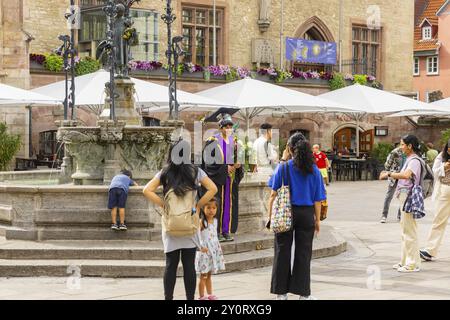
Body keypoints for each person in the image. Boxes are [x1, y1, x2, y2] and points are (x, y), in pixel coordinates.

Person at [143, 139, 218, 300]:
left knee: (170, 265)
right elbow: (213, 188)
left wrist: (163, 204)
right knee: (189, 265)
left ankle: (168, 298)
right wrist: (198, 205)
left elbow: (146, 190)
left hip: (171, 224)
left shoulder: (165, 172)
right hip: (189, 223)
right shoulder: (195, 171)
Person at [267, 132, 326, 300]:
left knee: (282, 250)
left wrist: (270, 216)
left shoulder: (283, 167)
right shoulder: (314, 170)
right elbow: (318, 200)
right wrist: (317, 220)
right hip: (306, 213)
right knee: (304, 253)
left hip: (286, 212)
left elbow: (273, 194)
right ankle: (303, 294)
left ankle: (281, 293)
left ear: (290, 149)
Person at [380, 135, 424, 273]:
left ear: (410, 146)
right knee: (405, 230)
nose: (401, 147)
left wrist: (389, 174)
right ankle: (405, 261)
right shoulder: (410, 159)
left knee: (409, 230)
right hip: (404, 194)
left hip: (408, 195)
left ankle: (412, 264)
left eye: (403, 144)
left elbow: (406, 175)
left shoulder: (415, 160)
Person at [202, 113, 244, 242]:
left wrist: (238, 164)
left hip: (230, 179)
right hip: (217, 178)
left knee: (228, 205)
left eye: (230, 126)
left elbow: (238, 158)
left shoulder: (235, 141)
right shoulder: (212, 141)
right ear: (221, 128)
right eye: (226, 126)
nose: (229, 129)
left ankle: (226, 230)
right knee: (217, 203)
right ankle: (216, 231)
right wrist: (224, 168)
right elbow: (208, 162)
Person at [420, 139, 450, 262]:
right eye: (449, 149)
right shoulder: (441, 157)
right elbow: (434, 172)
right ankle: (430, 250)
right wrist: (444, 167)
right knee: (438, 221)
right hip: (445, 190)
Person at [196, 197, 226, 300]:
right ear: (203, 208)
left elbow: (214, 237)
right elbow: (197, 236)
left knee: (209, 275)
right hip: (204, 251)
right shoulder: (201, 222)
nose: (211, 210)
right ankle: (201, 296)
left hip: (213, 251)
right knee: (203, 275)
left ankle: (209, 294)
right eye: (208, 208)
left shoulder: (216, 221)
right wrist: (200, 247)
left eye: (214, 208)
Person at [380, 144, 404, 223]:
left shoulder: (408, 153)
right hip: (394, 177)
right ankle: (384, 215)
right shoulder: (395, 152)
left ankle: (400, 216)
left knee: (402, 197)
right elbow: (387, 165)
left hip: (403, 177)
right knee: (389, 196)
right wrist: (389, 172)